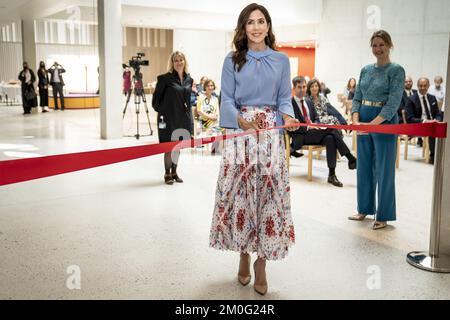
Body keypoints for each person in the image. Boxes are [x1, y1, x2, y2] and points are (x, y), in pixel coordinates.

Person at [209, 3, 299, 296]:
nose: (257, 27)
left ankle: (262, 261)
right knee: (241, 196)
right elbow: (227, 101)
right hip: (240, 134)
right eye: (251, 22)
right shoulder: (232, 60)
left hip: (271, 136)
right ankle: (243, 253)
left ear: (269, 26)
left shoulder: (282, 60)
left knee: (268, 196)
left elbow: (284, 98)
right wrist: (242, 121)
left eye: (262, 21)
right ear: (243, 28)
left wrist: (288, 116)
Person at [349, 30, 405, 230]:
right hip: (363, 119)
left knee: (384, 169)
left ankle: (383, 214)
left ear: (390, 45)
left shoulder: (396, 70)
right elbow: (357, 97)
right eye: (375, 45)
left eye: (382, 44)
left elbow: (393, 103)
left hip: (385, 120)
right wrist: (356, 120)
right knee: (363, 166)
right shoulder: (365, 70)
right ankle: (364, 208)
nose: (378, 49)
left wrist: (374, 123)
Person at [289, 76, 356, 187]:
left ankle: (332, 175)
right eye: (299, 87)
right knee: (332, 129)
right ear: (294, 88)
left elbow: (315, 117)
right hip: (301, 136)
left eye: (304, 86)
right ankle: (350, 157)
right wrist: (308, 127)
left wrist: (315, 124)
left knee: (330, 138)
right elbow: (290, 125)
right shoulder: (290, 104)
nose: (302, 89)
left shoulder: (308, 102)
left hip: (315, 132)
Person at [152, 51, 193, 185]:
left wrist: (190, 122)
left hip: (182, 118)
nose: (179, 62)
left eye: (181, 60)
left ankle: (174, 172)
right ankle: (167, 174)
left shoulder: (189, 79)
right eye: (176, 60)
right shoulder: (165, 78)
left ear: (184, 61)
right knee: (168, 147)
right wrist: (164, 112)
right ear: (172, 63)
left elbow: (187, 102)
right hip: (168, 119)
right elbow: (155, 101)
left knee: (178, 147)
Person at [405, 77, 443, 164]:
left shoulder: (432, 98)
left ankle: (441, 155)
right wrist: (425, 121)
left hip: (432, 123)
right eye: (420, 86)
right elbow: (409, 118)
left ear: (428, 86)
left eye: (425, 86)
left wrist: (437, 120)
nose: (423, 88)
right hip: (419, 124)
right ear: (417, 86)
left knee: (442, 127)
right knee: (432, 131)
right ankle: (433, 156)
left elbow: (438, 113)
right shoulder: (411, 99)